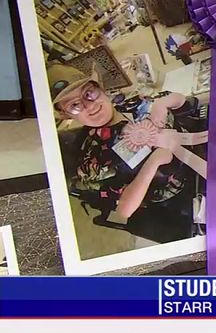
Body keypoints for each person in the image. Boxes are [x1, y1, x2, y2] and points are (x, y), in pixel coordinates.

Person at [50, 63, 204, 243]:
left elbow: (184, 101)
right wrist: (152, 163)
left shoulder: (136, 102)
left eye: (89, 93)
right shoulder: (94, 160)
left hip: (207, 146)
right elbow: (125, 210)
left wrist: (164, 103)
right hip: (191, 193)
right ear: (67, 115)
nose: (89, 106)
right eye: (75, 105)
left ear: (101, 88)